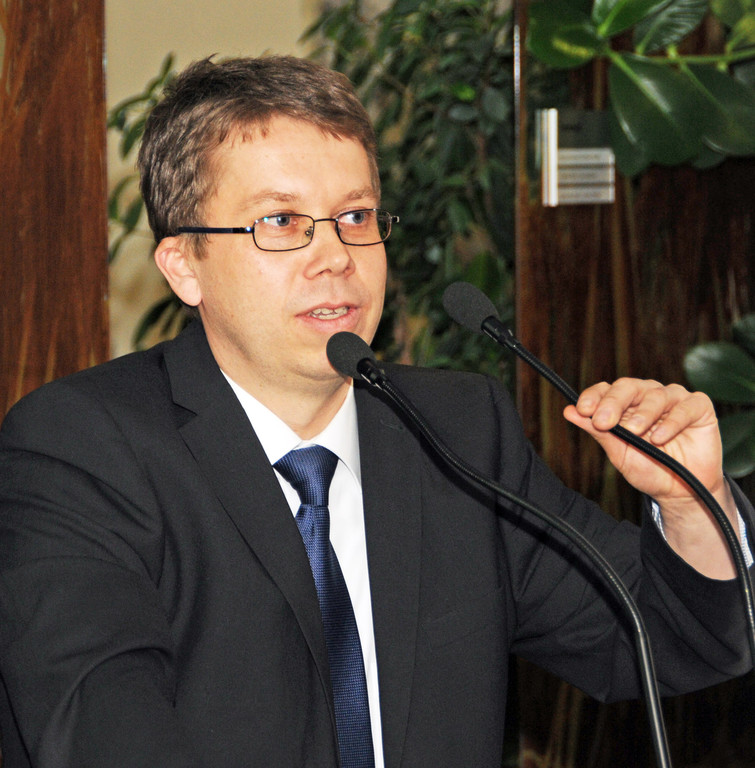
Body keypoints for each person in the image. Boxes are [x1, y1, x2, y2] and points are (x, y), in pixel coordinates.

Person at [0, 54, 751, 768]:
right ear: (183, 266)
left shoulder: (457, 430)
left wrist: (692, 504)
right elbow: (100, 733)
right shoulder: (82, 448)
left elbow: (673, 640)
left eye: (355, 215)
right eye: (281, 222)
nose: (336, 257)